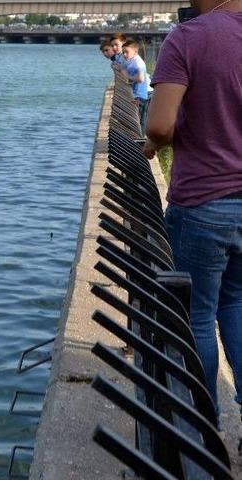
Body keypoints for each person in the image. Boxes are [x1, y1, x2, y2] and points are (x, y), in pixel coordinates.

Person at [143, 0, 242, 418]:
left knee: (196, 317)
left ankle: (203, 428)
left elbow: (160, 127)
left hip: (204, 201)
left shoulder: (188, 37)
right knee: (236, 304)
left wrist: (176, 132)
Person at [120, 40, 152, 134]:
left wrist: (126, 75)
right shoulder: (133, 60)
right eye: (123, 52)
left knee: (140, 118)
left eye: (127, 52)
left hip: (141, 94)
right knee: (139, 117)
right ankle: (140, 136)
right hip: (138, 93)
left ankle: (141, 138)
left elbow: (141, 79)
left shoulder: (138, 63)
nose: (124, 54)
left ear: (135, 51)